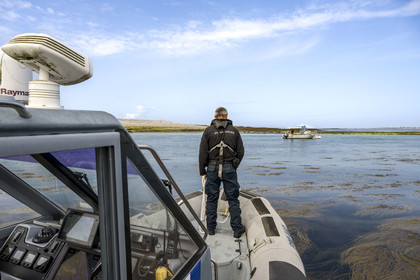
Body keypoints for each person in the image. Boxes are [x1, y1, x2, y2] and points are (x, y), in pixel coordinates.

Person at [199, 107, 245, 238]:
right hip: (229, 167)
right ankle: (237, 230)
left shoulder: (208, 131)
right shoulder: (234, 131)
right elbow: (241, 151)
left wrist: (202, 170)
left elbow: (202, 153)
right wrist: (234, 165)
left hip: (212, 168)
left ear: (215, 116)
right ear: (226, 116)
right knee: (233, 199)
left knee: (211, 198)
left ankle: (211, 229)